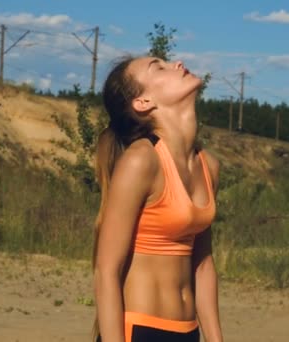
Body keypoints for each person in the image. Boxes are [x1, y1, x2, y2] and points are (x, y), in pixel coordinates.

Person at [93, 55, 223, 342]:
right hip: (139, 329)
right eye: (158, 67)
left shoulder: (208, 166)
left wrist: (215, 338)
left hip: (188, 331)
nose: (177, 63)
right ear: (143, 102)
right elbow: (106, 271)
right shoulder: (142, 161)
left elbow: (202, 262)